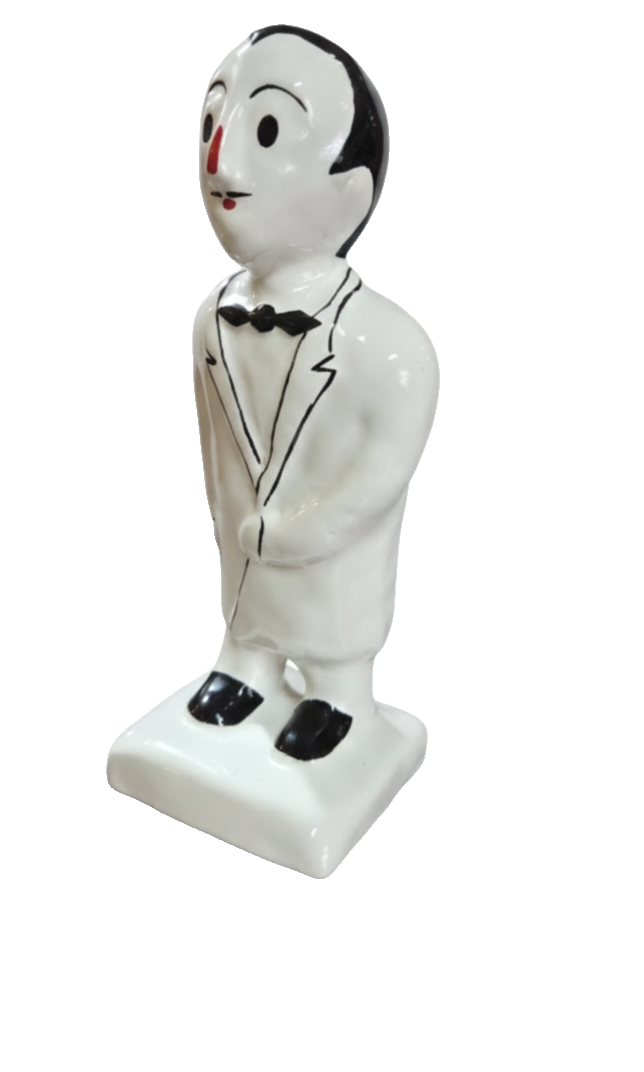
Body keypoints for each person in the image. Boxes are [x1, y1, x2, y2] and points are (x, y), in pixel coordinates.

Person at [191, 25, 439, 760]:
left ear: (351, 184)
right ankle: (248, 660)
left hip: (329, 560)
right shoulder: (211, 316)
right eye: (211, 124)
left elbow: (383, 468)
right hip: (242, 543)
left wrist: (312, 528)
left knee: (329, 618)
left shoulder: (390, 344)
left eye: (266, 130)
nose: (220, 159)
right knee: (248, 596)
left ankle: (338, 689)